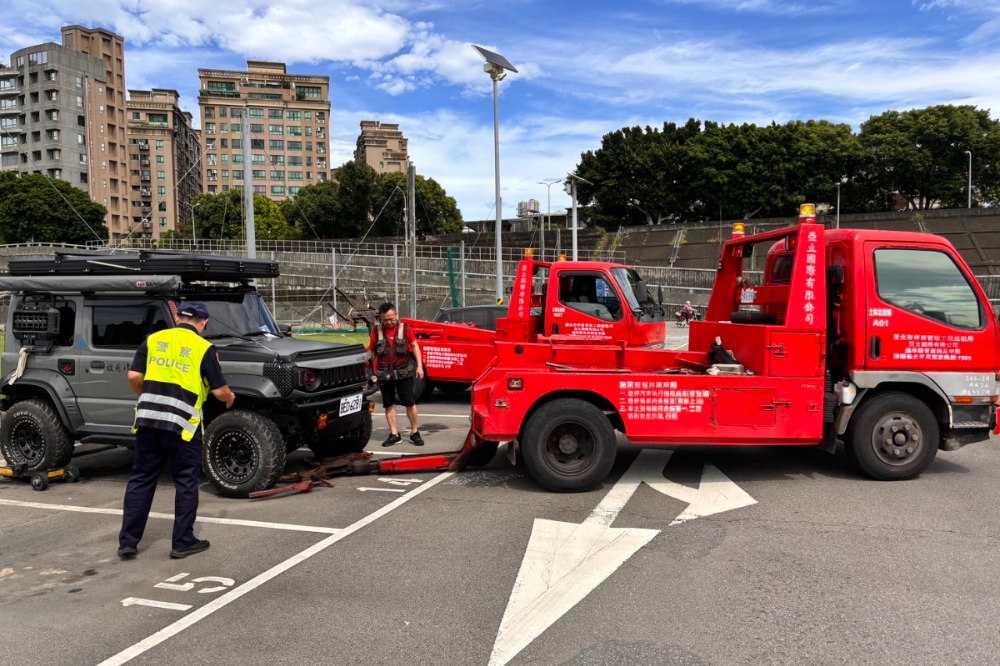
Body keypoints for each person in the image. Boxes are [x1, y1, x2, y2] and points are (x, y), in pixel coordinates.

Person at [118, 302, 235, 560]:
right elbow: (218, 390)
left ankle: (127, 542)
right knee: (185, 483)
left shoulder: (154, 339)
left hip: (149, 420)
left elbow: (133, 377)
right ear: (204, 323)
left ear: (178, 317)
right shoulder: (203, 347)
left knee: (141, 479)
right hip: (183, 428)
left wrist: (149, 396)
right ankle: (182, 541)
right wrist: (229, 398)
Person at [368, 302, 425, 447]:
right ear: (380, 318)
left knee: (410, 403)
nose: (389, 322)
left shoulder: (405, 329)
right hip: (384, 374)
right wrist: (368, 371)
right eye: (385, 319)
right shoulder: (376, 331)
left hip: (403, 372)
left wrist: (419, 366)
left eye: (391, 318)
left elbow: (414, 346)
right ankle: (394, 434)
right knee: (389, 404)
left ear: (396, 315)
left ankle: (415, 433)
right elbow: (372, 352)